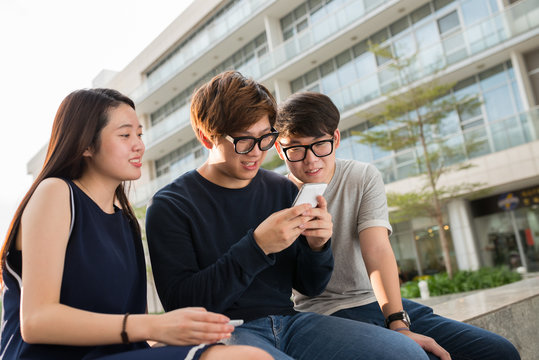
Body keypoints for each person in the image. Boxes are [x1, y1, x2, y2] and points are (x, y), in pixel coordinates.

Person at [145, 70, 431, 360]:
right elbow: (182, 305)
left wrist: (318, 247)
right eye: (244, 141)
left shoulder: (280, 189)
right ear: (206, 137)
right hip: (225, 332)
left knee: (408, 355)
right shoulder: (171, 205)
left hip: (293, 324)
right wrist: (257, 246)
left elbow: (309, 285)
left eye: (266, 138)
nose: (256, 153)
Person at [0, 88, 270, 360]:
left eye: (139, 134)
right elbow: (36, 322)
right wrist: (156, 326)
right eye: (125, 135)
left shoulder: (126, 220)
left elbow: (124, 332)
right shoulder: (56, 193)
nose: (139, 145)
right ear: (85, 144)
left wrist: (179, 333)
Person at [274, 91, 521, 360]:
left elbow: (377, 249)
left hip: (378, 303)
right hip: (323, 314)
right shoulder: (274, 194)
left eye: (320, 144)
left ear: (335, 138)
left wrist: (397, 322)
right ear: (279, 148)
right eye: (295, 148)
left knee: (498, 352)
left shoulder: (362, 176)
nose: (311, 160)